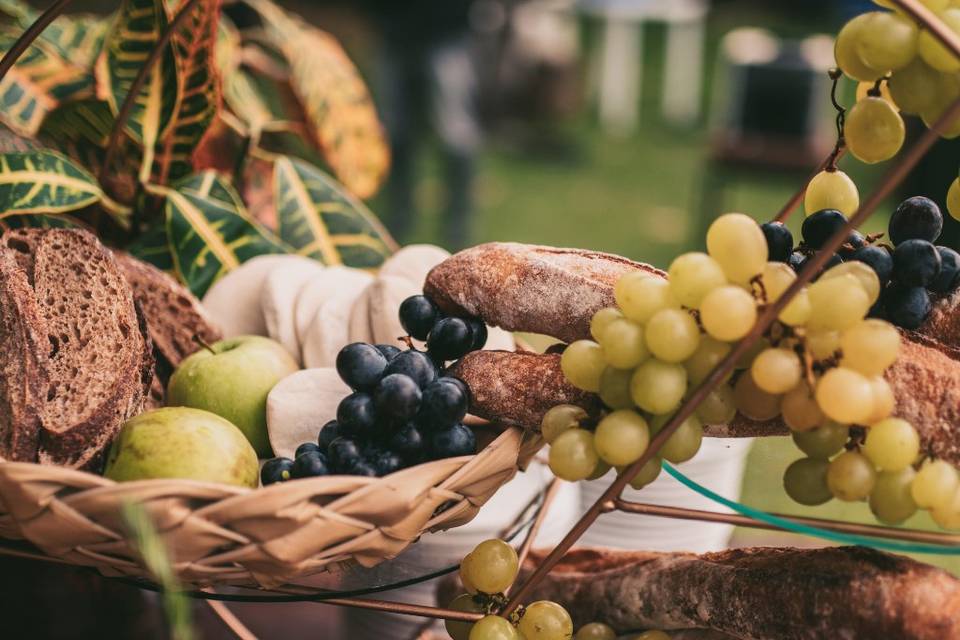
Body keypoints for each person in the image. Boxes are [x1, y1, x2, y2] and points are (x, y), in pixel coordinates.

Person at [360, 0, 482, 249]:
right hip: (394, 34)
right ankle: (398, 217)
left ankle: (458, 225)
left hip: (447, 34)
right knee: (395, 133)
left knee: (456, 133)